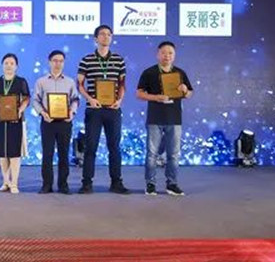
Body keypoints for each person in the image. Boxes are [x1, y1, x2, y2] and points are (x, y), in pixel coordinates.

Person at [77, 24, 130, 194]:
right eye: (102, 34)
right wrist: (90, 99)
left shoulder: (119, 60)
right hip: (94, 109)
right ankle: (87, 183)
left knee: (114, 147)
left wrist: (119, 100)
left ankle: (116, 182)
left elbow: (122, 84)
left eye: (109, 34)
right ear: (95, 38)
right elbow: (79, 84)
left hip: (113, 109)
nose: (106, 37)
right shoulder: (86, 60)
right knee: (91, 147)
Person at [136, 41, 193, 196]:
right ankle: (150, 184)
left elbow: (189, 94)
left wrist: (185, 90)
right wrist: (156, 97)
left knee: (173, 154)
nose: (167, 56)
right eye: (163, 53)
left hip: (174, 119)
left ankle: (172, 184)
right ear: (158, 54)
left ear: (174, 55)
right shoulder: (149, 72)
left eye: (170, 53)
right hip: (155, 118)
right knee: (152, 154)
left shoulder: (180, 73)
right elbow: (139, 93)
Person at [34, 50, 79, 194]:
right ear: (49, 62)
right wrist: (43, 113)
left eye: (61, 61)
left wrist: (71, 112)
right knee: (47, 154)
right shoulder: (41, 81)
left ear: (64, 63)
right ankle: (46, 185)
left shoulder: (70, 82)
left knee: (64, 154)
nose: (58, 63)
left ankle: (63, 185)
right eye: (55, 60)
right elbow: (36, 100)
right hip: (48, 122)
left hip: (65, 122)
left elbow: (75, 99)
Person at [0, 53, 30, 194]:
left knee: (15, 152)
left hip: (16, 121)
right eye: (6, 63)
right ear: (2, 65)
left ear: (16, 66)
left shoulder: (21, 81)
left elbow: (27, 98)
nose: (9, 66)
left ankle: (14, 183)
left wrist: (21, 109)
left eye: (12, 63)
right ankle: (5, 182)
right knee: (2, 153)